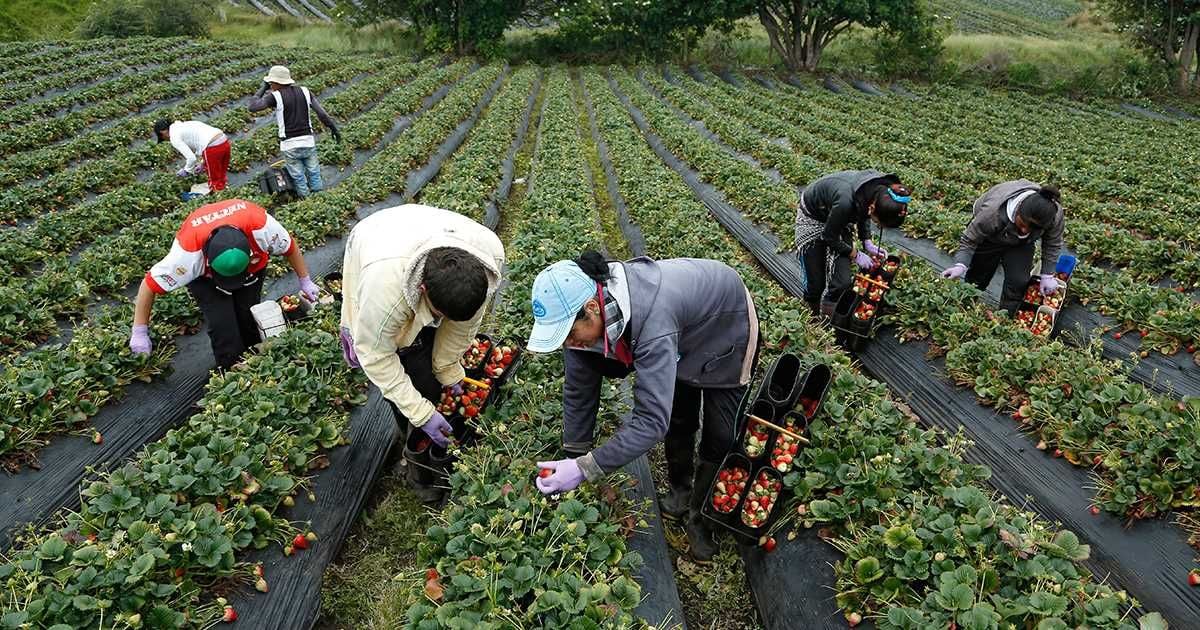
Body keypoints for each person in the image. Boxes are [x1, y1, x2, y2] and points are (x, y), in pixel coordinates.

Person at [527, 252, 760, 562]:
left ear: (592, 309)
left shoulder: (653, 321)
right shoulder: (582, 323)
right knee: (679, 413)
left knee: (720, 434)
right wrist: (574, 456)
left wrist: (585, 469)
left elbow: (651, 422)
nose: (569, 343)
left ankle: (701, 520)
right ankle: (680, 491)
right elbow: (579, 391)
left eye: (569, 333)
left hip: (726, 324)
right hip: (683, 330)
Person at [338, 205, 505, 502]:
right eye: (438, 313)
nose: (441, 320)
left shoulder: (488, 259)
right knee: (405, 356)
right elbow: (377, 357)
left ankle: (425, 413)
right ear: (423, 289)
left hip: (424, 232)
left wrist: (448, 368)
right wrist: (421, 412)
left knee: (431, 363)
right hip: (378, 239)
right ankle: (411, 437)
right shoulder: (385, 290)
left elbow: (464, 326)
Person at [129, 198, 319, 370]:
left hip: (251, 272)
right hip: (207, 281)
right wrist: (139, 331)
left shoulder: (262, 228)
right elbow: (148, 285)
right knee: (222, 325)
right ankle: (231, 369)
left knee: (248, 313)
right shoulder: (187, 256)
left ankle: (258, 359)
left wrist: (305, 281)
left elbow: (290, 247)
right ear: (208, 261)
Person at [794, 170, 911, 315]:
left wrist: (866, 241)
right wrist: (855, 255)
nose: (878, 225)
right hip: (814, 216)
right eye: (879, 222)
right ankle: (812, 312)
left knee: (842, 282)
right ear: (873, 208)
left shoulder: (878, 191)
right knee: (815, 282)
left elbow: (863, 212)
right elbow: (829, 236)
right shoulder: (845, 201)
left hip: (839, 217)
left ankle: (830, 311)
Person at [940, 181, 1065, 313]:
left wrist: (1047, 274)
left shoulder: (1053, 215)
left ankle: (1005, 317)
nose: (1024, 230)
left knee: (1019, 281)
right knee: (978, 275)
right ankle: (964, 306)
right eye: (1022, 224)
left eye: (1031, 229)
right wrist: (960, 265)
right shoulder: (992, 213)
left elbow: (1053, 244)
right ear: (1018, 210)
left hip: (1021, 244)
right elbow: (969, 240)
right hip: (990, 237)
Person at [248, 65, 341, 198]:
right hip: (308, 142)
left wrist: (263, 88)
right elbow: (322, 114)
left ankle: (306, 201)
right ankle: (320, 198)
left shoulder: (275, 96)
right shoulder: (305, 91)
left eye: (271, 83)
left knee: (298, 177)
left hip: (289, 145)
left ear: (275, 82)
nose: (271, 85)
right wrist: (333, 128)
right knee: (314, 172)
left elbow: (252, 107)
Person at [154, 118, 230, 192]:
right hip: (224, 141)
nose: (165, 139)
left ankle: (218, 199)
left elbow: (191, 158)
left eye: (162, 137)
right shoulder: (184, 125)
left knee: (214, 181)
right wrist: (203, 163)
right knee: (221, 176)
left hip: (212, 147)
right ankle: (226, 195)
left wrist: (186, 170)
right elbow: (200, 142)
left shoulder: (174, 137)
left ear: (163, 132)